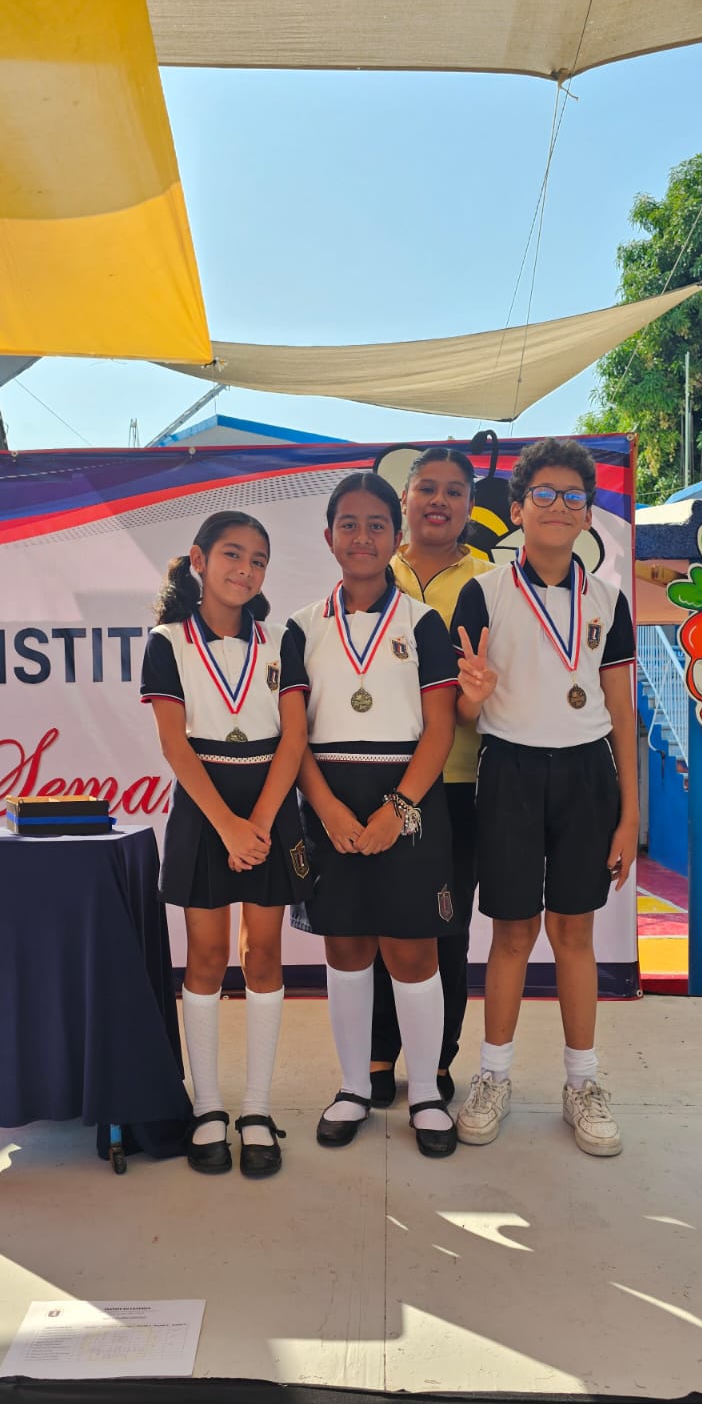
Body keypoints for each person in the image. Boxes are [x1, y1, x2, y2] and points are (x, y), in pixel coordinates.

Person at [451, 439, 638, 1157]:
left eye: (573, 496)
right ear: (517, 508)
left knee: (574, 933)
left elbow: (620, 710)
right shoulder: (485, 593)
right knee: (510, 933)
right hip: (510, 771)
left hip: (588, 776)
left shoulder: (608, 601)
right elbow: (463, 711)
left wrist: (629, 813)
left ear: (587, 513)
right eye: (544, 494)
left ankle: (581, 1083)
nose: (559, 506)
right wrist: (473, 697)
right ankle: (493, 1076)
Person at [288, 471, 460, 1159]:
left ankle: (425, 1095)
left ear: (396, 536)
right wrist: (325, 807)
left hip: (407, 801)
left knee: (413, 949)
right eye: (349, 524)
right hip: (329, 801)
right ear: (328, 536)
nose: (362, 537)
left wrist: (399, 807)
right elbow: (294, 736)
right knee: (347, 946)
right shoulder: (301, 627)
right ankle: (354, 1087)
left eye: (376, 525)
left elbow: (441, 728)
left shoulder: (423, 624)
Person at [140, 510, 311, 1179]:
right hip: (205, 809)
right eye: (232, 554)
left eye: (258, 560)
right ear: (199, 560)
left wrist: (259, 824)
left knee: (262, 955)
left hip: (269, 806)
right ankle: (208, 1105)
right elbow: (174, 745)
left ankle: (257, 1108)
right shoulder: (167, 642)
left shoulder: (281, 640)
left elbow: (293, 739)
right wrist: (228, 827)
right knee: (207, 957)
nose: (245, 569)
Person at [369, 446, 489, 1107]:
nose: (439, 501)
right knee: (377, 920)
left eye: (453, 491)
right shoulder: (369, 574)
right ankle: (377, 1053)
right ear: (404, 500)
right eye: (427, 489)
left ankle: (436, 1058)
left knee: (446, 927)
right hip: (375, 780)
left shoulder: (492, 582)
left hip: (459, 783)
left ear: (469, 506)